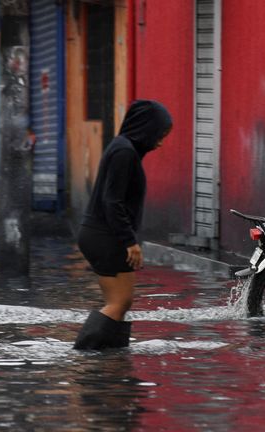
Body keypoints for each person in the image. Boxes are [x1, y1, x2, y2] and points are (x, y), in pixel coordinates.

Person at [73, 100, 173, 350]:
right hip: (106, 236)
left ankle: (109, 355)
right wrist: (130, 242)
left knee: (120, 302)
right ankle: (87, 354)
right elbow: (112, 201)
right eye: (159, 135)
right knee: (119, 302)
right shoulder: (124, 152)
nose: (160, 143)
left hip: (98, 234)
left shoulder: (121, 148)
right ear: (145, 128)